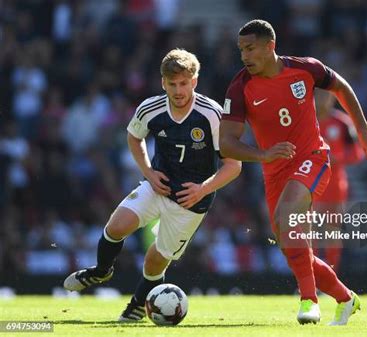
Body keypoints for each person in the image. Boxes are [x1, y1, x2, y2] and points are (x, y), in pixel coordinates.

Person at [219, 20, 367, 325]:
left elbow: (341, 87)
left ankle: (309, 301)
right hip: (274, 171)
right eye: (241, 49)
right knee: (292, 247)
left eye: (250, 48)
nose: (244, 55)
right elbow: (226, 144)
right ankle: (346, 298)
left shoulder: (305, 69)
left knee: (290, 220)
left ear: (270, 46)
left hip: (313, 157)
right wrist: (263, 154)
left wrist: (362, 130)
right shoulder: (240, 86)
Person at [64, 49, 241, 321]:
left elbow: (233, 165)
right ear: (163, 83)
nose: (178, 90)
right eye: (172, 84)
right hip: (157, 185)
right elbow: (134, 137)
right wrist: (148, 171)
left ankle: (136, 306)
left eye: (184, 83)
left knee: (155, 259)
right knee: (116, 226)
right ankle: (101, 271)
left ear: (194, 81)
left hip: (191, 202)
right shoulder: (150, 108)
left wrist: (202, 189)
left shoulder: (212, 115)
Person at [316, 90, 365, 273]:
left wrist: (338, 157)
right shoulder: (305, 121)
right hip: (308, 181)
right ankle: (311, 278)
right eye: (319, 95)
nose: (323, 100)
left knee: (331, 229)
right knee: (310, 228)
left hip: (335, 183)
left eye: (327, 96)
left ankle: (331, 275)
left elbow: (357, 153)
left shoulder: (342, 122)